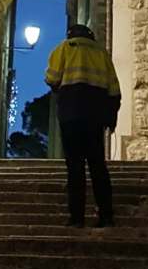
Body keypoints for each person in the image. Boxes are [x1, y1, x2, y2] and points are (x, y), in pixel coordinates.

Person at [45, 23, 121, 228]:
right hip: (95, 116)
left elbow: (52, 78)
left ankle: (76, 218)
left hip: (70, 114)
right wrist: (111, 118)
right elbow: (114, 89)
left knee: (75, 167)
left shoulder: (64, 48)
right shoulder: (102, 53)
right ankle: (106, 216)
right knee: (98, 166)